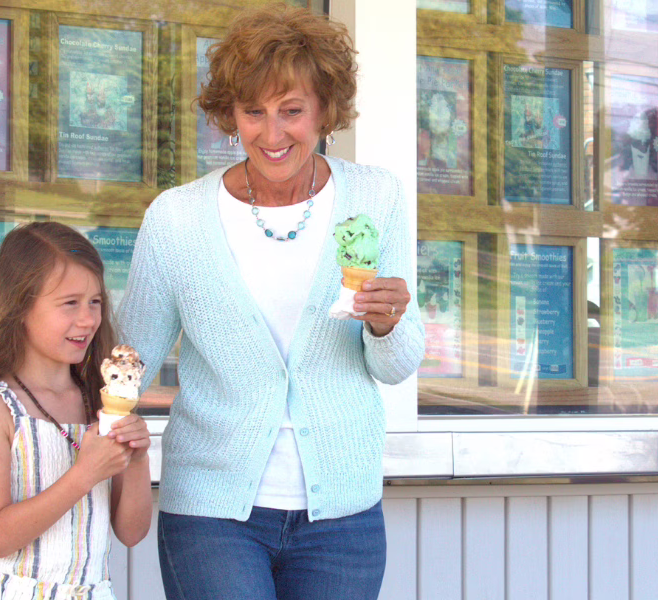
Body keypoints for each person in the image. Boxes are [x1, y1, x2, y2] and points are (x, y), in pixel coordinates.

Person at [121, 5, 420, 598]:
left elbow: (396, 367)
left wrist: (388, 326)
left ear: (325, 110)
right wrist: (6, 397)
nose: (272, 132)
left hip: (341, 516)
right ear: (229, 113)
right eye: (252, 112)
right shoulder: (177, 218)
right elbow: (125, 363)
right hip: (212, 512)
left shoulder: (374, 197)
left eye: (292, 111)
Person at [0, 221, 154, 600]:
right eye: (70, 304)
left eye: (95, 301)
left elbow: (131, 533)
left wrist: (139, 461)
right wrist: (83, 475)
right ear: (19, 307)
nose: (88, 319)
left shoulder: (96, 402)